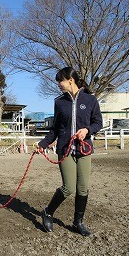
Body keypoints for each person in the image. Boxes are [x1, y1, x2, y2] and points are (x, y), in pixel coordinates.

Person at [35, 67, 103, 236]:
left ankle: (78, 222)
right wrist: (43, 144)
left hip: (83, 149)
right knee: (68, 187)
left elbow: (98, 123)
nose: (59, 84)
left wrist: (87, 130)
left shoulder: (90, 100)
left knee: (83, 188)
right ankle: (48, 212)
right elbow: (55, 129)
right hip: (65, 149)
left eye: (60, 81)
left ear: (70, 80)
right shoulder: (59, 102)